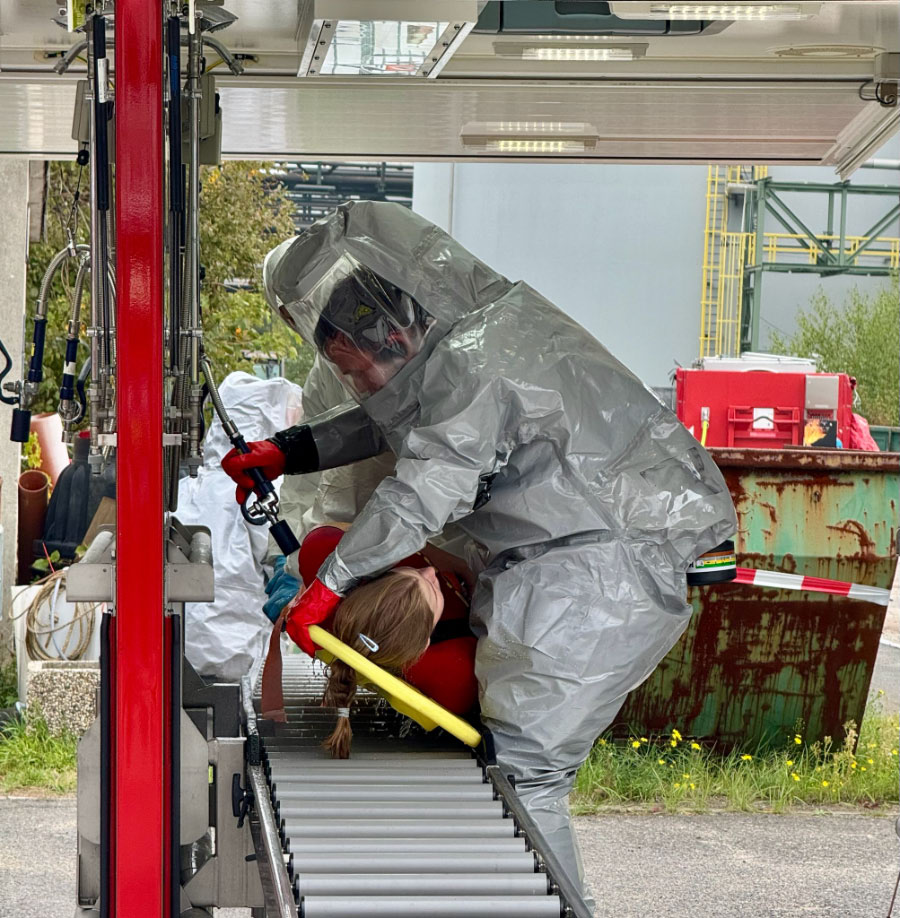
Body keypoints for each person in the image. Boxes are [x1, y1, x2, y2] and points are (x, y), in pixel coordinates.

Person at [222, 200, 737, 900]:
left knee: (527, 765)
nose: (362, 389)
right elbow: (393, 422)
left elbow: (418, 494)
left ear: (395, 338)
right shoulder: (459, 348)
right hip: (567, 551)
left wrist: (330, 586)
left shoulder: (475, 370)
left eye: (361, 372)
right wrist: (291, 450)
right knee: (510, 755)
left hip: (607, 566)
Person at [299, 525, 478, 757]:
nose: (431, 571)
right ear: (423, 646)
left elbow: (359, 528)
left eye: (411, 571)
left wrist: (440, 557)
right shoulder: (456, 674)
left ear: (376, 580)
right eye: (434, 589)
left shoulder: (322, 554)